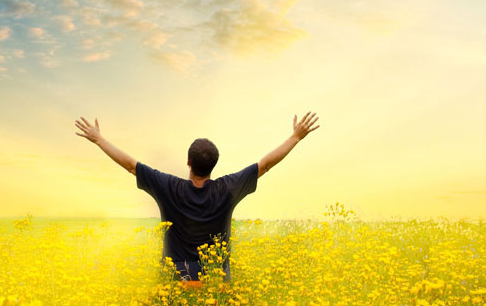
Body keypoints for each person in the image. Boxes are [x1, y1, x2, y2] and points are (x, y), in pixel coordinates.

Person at [73, 112, 320, 286]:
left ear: (188, 161)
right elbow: (265, 165)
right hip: (215, 280)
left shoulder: (168, 186)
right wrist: (295, 137)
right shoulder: (228, 188)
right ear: (214, 165)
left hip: (176, 278)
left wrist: (98, 139)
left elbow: (129, 165)